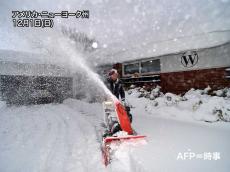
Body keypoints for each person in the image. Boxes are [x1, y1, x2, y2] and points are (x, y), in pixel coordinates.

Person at [103, 69, 132, 137]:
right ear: (110, 76)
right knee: (108, 113)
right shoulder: (107, 82)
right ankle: (108, 128)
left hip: (116, 100)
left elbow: (122, 91)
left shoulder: (119, 82)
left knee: (119, 113)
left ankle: (120, 126)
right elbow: (104, 92)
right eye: (113, 75)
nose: (115, 76)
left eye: (116, 75)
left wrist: (123, 99)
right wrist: (107, 98)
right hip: (108, 100)